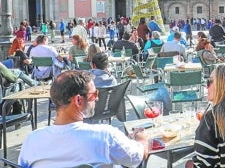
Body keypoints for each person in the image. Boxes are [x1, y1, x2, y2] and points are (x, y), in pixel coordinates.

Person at [18, 70, 148, 167]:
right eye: (94, 94)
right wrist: (141, 139)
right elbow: (137, 157)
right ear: (79, 100)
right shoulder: (105, 136)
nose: (97, 98)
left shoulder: (32, 141)